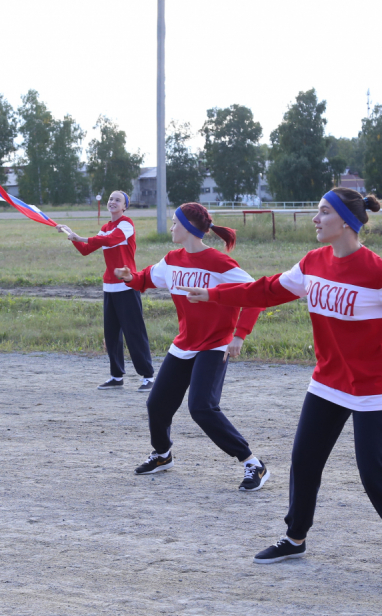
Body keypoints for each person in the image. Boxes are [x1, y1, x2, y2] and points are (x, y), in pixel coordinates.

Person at [184, 187, 382, 583]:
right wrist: (214, 294)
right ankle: (295, 538)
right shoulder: (313, 262)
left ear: (346, 222)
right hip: (328, 380)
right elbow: (268, 289)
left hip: (373, 386)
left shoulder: (379, 271)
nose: (315, 218)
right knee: (304, 460)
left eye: (323, 212)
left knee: (374, 472)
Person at [113, 203, 268, 491]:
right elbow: (148, 277)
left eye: (174, 222)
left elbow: (256, 295)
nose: (171, 228)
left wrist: (239, 335)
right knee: (157, 405)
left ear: (188, 228)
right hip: (185, 343)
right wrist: (129, 277)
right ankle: (162, 455)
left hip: (214, 344)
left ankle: (252, 463)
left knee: (202, 408)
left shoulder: (220, 263)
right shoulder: (173, 259)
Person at [57, 190, 154, 391]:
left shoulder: (126, 224)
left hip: (127, 286)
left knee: (134, 332)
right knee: (111, 336)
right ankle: (116, 376)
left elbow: (111, 240)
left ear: (124, 206)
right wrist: (70, 233)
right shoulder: (105, 227)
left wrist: (81, 236)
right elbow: (86, 250)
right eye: (110, 199)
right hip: (109, 287)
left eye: (117, 200)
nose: (112, 202)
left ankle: (148, 377)